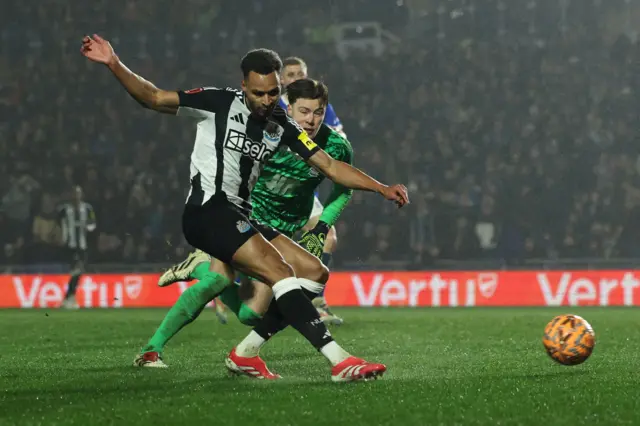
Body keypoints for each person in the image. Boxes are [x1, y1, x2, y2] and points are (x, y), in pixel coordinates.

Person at [81, 34, 408, 382]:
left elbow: (328, 165)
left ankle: (245, 354)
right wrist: (114, 63)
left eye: (272, 92)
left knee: (314, 273)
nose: (266, 100)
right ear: (243, 86)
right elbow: (153, 97)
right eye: (258, 93)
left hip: (243, 214)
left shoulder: (282, 123)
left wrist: (381, 188)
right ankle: (339, 361)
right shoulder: (217, 102)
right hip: (208, 211)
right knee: (280, 273)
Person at [139, 78, 354, 377]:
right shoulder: (271, 134)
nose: (311, 119)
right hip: (246, 219)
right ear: (288, 108)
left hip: (281, 229)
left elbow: (343, 186)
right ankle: (152, 348)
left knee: (251, 314)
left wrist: (323, 225)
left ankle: (199, 269)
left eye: (318, 112)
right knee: (218, 281)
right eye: (304, 111)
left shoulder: (336, 146)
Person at [280, 56, 345, 324]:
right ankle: (222, 285)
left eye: (300, 73)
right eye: (290, 74)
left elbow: (340, 139)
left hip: (305, 191)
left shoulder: (321, 109)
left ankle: (316, 302)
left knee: (327, 236)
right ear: (282, 79)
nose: (295, 78)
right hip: (272, 190)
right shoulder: (272, 106)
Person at [58, 185, 96, 309]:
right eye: (74, 193)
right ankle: (70, 297)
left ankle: (69, 297)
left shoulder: (88, 208)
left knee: (78, 271)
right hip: (70, 245)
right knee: (77, 270)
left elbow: (93, 223)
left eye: (78, 193)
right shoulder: (64, 209)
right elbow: (59, 225)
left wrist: (88, 227)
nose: (76, 196)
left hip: (83, 244)